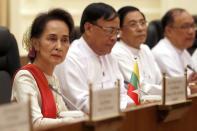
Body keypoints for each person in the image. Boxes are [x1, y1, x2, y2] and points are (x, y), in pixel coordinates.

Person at [11, 8, 84, 129]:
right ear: (36, 43)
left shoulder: (52, 76)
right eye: (52, 39)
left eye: (65, 40)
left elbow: (61, 115)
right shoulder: (25, 78)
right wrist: (74, 121)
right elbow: (34, 124)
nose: (59, 47)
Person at [55, 3, 132, 113]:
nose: (114, 38)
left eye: (117, 32)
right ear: (88, 28)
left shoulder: (109, 56)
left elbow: (122, 94)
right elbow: (82, 105)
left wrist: (134, 104)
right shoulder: (70, 59)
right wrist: (124, 107)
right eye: (110, 31)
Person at [112, 6, 162, 102]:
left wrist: (181, 86)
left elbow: (160, 81)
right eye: (133, 24)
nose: (140, 28)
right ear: (119, 31)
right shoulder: (117, 52)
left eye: (143, 23)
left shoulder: (145, 48)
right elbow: (139, 89)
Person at [152, 8, 197, 94]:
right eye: (185, 27)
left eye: (192, 26)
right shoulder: (162, 53)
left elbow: (191, 83)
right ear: (168, 31)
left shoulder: (183, 51)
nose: (191, 31)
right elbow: (179, 88)